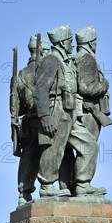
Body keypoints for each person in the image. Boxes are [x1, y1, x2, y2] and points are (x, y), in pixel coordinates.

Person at [61, 26, 112, 197]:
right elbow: (85, 87)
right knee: (88, 148)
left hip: (82, 112)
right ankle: (83, 184)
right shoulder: (87, 59)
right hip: (89, 113)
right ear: (92, 43)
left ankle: (71, 185)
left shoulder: (77, 58)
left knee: (76, 151)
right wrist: (104, 85)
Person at [33, 25, 76, 198]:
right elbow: (40, 89)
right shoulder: (51, 60)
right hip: (55, 109)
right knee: (53, 147)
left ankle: (70, 184)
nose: (72, 45)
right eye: (70, 41)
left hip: (68, 110)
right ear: (62, 42)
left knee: (66, 150)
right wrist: (45, 116)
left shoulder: (66, 61)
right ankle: (47, 185)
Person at [16, 35, 51, 206]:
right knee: (49, 154)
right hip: (45, 121)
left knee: (29, 158)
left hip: (28, 122)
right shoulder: (45, 70)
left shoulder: (20, 75)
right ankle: (50, 186)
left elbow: (16, 108)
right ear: (42, 50)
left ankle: (24, 192)